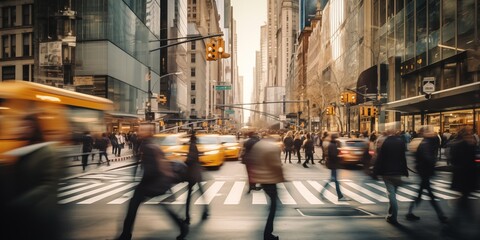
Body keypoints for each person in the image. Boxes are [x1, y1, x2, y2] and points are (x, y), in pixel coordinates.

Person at [116, 124, 188, 240]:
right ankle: (182, 225)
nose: (140, 131)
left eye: (143, 130)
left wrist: (141, 185)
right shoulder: (151, 144)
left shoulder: (148, 146)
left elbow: (152, 169)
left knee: (133, 207)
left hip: (152, 184)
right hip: (158, 183)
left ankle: (125, 235)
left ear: (148, 132)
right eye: (140, 129)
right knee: (162, 206)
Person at [0, 113, 63, 239]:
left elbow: (48, 185)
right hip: (21, 216)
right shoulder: (20, 151)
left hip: (38, 215)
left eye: (27, 126)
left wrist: (19, 202)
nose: (22, 129)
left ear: (35, 128)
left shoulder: (47, 152)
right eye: (21, 125)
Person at [245, 135, 285, 240]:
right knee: (274, 207)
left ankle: (268, 233)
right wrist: (282, 178)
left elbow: (253, 162)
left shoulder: (259, 146)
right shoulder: (271, 148)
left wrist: (254, 180)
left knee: (273, 205)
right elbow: (276, 165)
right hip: (270, 180)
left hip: (264, 180)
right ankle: (267, 234)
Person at [406, 126, 447, 223]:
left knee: (421, 194)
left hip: (424, 172)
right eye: (429, 131)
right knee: (429, 195)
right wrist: (433, 163)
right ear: (424, 133)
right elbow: (427, 157)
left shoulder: (426, 142)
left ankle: (410, 212)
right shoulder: (425, 143)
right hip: (425, 172)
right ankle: (440, 215)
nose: (432, 132)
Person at [443, 127, 479, 237]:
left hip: (459, 177)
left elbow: (452, 160)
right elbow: (471, 162)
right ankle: (453, 226)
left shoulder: (455, 144)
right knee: (464, 203)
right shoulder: (468, 145)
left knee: (464, 202)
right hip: (467, 178)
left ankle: (453, 226)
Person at [372, 124, 408, 224]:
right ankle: (390, 214)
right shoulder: (401, 141)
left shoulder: (386, 142)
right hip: (398, 172)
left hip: (387, 172)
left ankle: (394, 216)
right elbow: (403, 158)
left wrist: (375, 172)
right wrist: (405, 171)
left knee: (391, 195)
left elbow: (380, 158)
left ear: (388, 132)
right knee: (393, 194)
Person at [184, 131, 209, 225]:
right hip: (196, 173)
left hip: (192, 173)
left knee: (189, 196)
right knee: (200, 192)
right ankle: (205, 211)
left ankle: (187, 217)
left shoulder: (192, 146)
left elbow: (191, 158)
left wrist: (185, 163)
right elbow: (196, 157)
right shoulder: (195, 146)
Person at [320, 133, 345, 200]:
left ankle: (322, 192)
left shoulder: (332, 145)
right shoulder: (333, 145)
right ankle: (340, 196)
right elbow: (333, 156)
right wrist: (339, 157)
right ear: (335, 138)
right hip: (334, 165)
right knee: (335, 180)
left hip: (333, 165)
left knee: (333, 180)